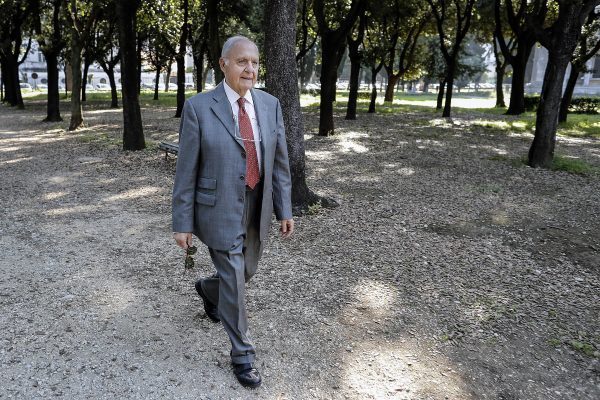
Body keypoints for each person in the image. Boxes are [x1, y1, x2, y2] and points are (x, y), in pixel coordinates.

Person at [172, 35, 294, 388]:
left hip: (257, 204)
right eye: (242, 62)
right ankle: (243, 355)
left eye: (255, 62)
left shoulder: (271, 105)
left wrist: (284, 207)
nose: (250, 69)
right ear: (224, 64)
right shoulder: (198, 107)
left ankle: (209, 290)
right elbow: (186, 170)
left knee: (245, 273)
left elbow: (281, 162)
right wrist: (183, 222)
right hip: (218, 207)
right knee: (236, 283)